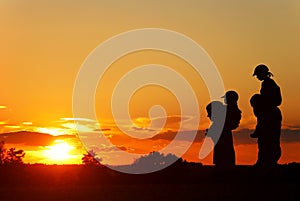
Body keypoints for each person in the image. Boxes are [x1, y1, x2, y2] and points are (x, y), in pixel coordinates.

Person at [252, 64, 282, 168]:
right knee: (268, 139)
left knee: (268, 140)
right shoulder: (268, 84)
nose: (257, 77)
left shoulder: (268, 84)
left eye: (257, 75)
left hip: (270, 115)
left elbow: (274, 100)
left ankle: (267, 162)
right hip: (271, 114)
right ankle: (265, 161)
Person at [206, 92, 241, 170]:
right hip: (224, 134)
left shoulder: (228, 111)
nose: (208, 116)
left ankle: (224, 166)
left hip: (224, 135)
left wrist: (212, 131)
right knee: (223, 151)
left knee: (223, 151)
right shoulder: (229, 109)